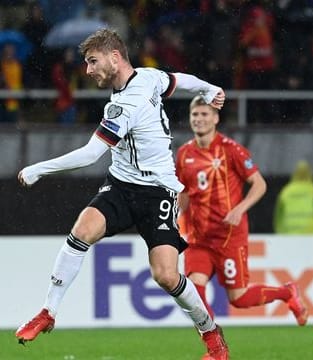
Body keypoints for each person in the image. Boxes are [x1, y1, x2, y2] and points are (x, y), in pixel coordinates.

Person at [15, 29, 229, 360]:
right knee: (81, 232)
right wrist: (207, 87)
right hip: (121, 184)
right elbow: (178, 80)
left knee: (166, 276)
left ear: (115, 58)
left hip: (157, 190)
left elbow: (89, 155)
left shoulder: (125, 106)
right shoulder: (148, 76)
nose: (87, 70)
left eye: (92, 61)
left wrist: (38, 169)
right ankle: (48, 312)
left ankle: (210, 332)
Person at [175, 96, 308, 358]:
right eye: (195, 115)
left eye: (204, 114)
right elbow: (184, 194)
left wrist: (239, 209)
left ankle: (286, 292)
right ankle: (216, 350)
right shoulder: (184, 154)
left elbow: (259, 184)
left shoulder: (231, 149)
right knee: (194, 292)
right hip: (199, 239)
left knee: (239, 298)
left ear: (215, 118)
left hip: (229, 237)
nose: (199, 119)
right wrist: (178, 219)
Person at [273, 160, 313, 234]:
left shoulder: (285, 192)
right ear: (310, 173)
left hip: (289, 236)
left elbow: (278, 219)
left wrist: (279, 236)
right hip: (311, 236)